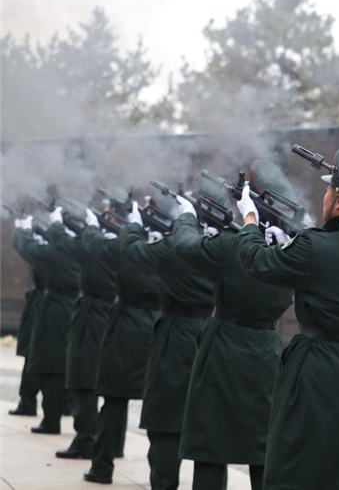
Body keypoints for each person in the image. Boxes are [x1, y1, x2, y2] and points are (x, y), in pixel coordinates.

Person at [234, 149, 339, 490]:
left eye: (328, 192)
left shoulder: (314, 246)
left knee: (298, 457)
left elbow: (255, 262)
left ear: (338, 203)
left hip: (314, 364)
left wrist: (248, 220)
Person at [172, 166, 293, 490]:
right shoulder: (291, 247)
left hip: (224, 347)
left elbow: (186, 247)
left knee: (212, 443)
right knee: (262, 445)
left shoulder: (231, 245)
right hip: (268, 347)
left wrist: (185, 215)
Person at [120, 192, 214, 490]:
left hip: (176, 333)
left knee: (164, 417)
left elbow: (133, 252)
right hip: (213, 333)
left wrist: (134, 225)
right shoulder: (219, 243)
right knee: (207, 423)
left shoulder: (173, 246)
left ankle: (164, 483)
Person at [82, 205, 162, 484]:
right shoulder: (174, 246)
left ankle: (102, 466)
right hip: (163, 325)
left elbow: (97, 247)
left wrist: (93, 225)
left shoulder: (129, 246)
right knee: (158, 410)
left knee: (114, 398)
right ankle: (161, 478)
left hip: (127, 324)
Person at [48, 206, 116, 460]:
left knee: (83, 378)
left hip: (92, 316)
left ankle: (85, 439)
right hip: (109, 313)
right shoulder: (118, 243)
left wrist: (56, 224)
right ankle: (112, 444)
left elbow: (66, 246)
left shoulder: (99, 246)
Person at [12, 210, 81, 434]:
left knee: (50, 367)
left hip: (55, 311)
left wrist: (22, 229)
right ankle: (66, 407)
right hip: (76, 308)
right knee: (67, 364)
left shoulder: (56, 252)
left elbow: (27, 249)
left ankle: (51, 420)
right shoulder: (82, 249)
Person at [8, 244, 45, 417]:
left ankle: (28, 403)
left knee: (34, 357)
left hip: (45, 306)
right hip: (48, 305)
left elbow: (29, 252)